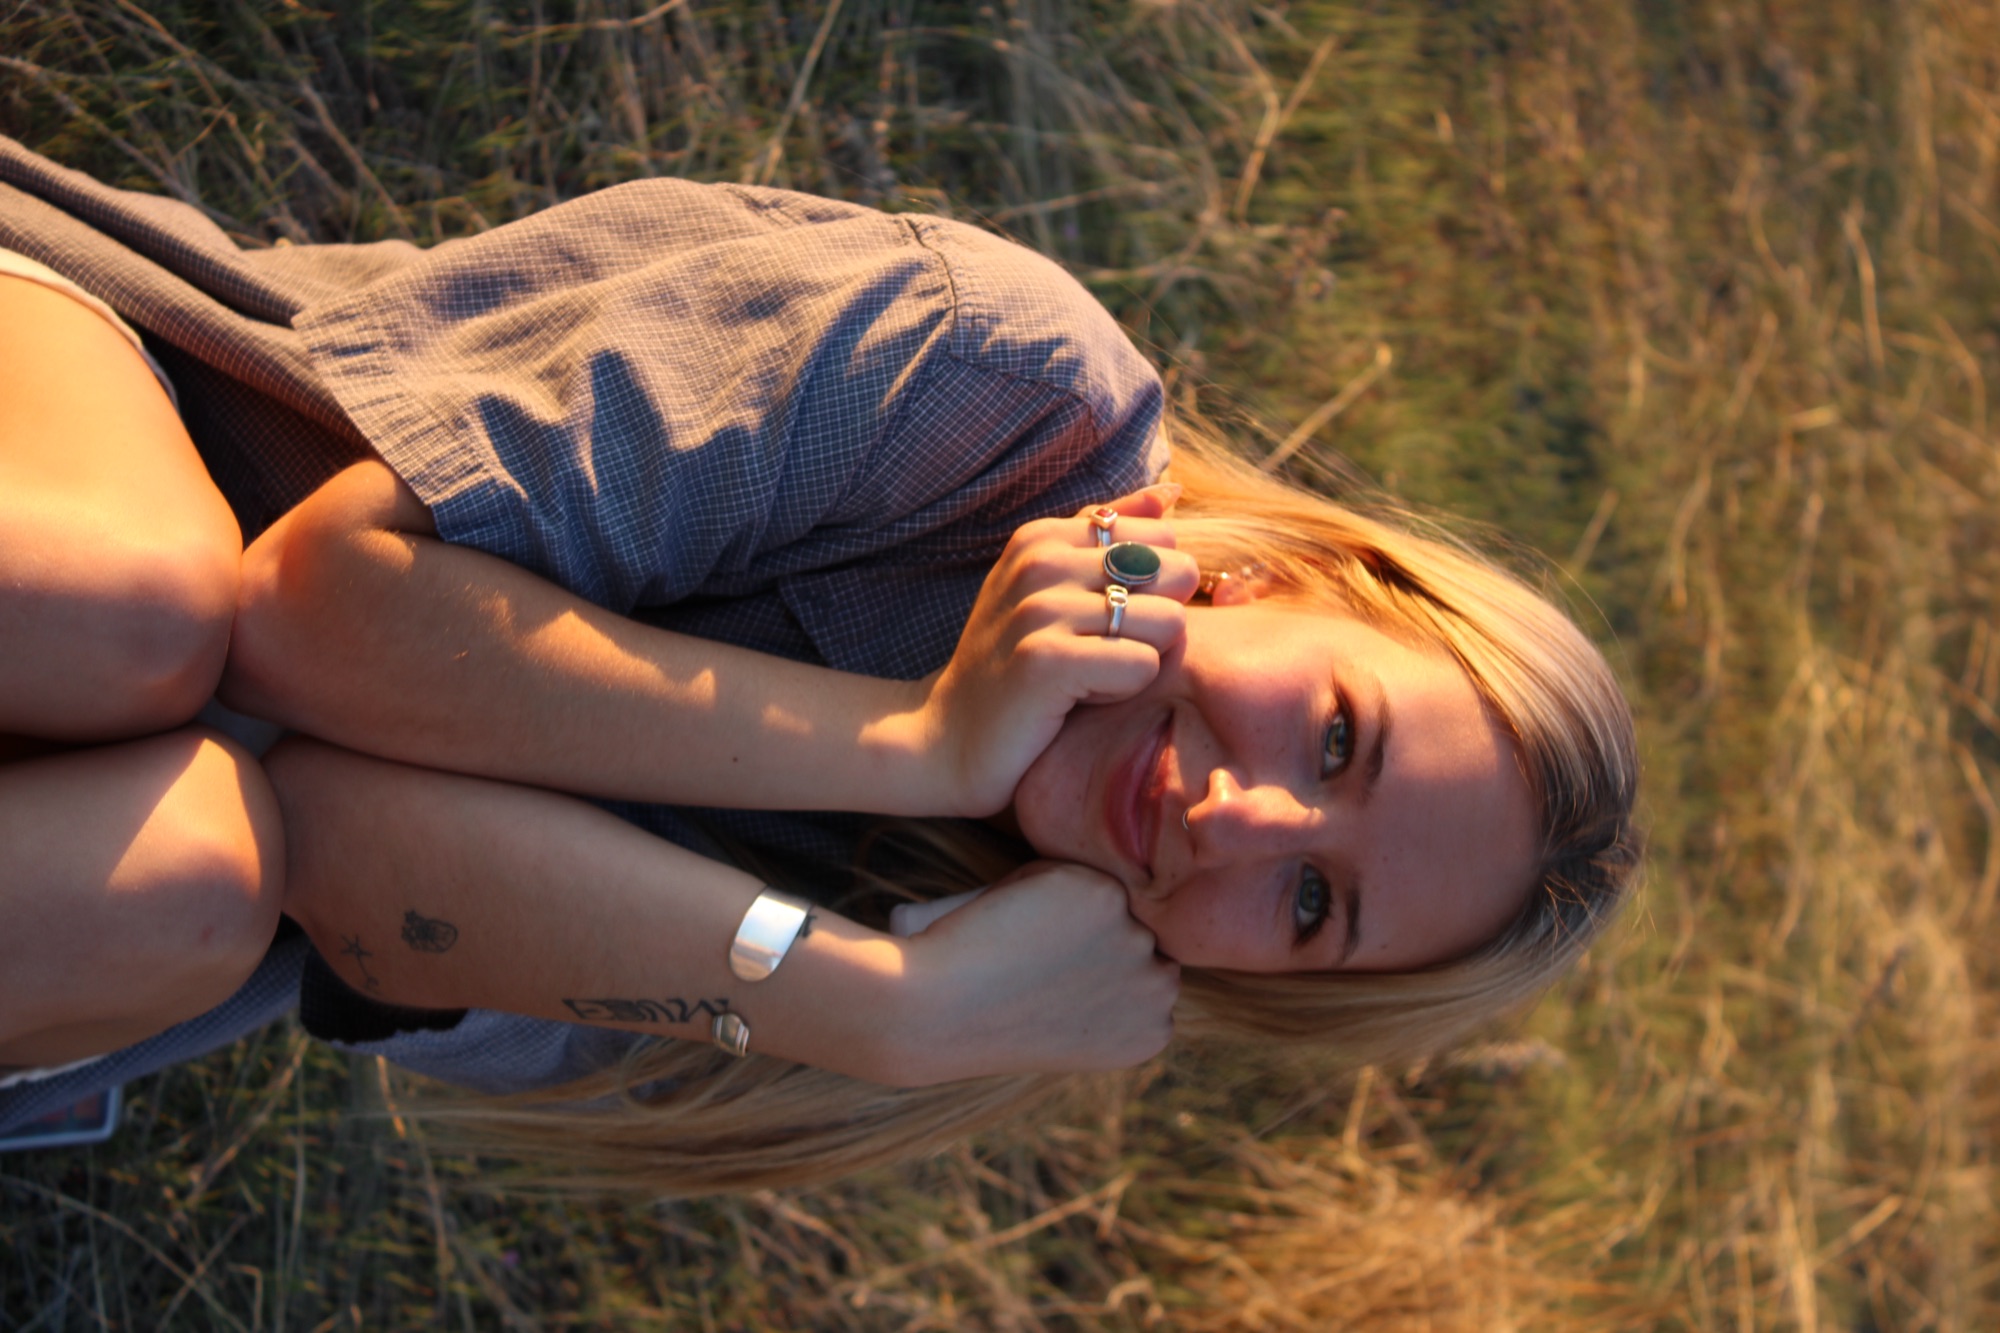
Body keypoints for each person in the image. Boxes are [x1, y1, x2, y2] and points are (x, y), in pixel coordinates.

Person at [0, 136, 1639, 1191]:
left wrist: (885, 1002)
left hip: (117, 874)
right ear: (1298, 578)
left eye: (1312, 910)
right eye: (1339, 740)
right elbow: (302, 614)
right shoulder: (985, 384)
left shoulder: (952, 999)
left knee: (201, 882)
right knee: (138, 610)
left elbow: (348, 863)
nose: (1247, 823)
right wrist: (913, 739)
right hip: (90, 448)